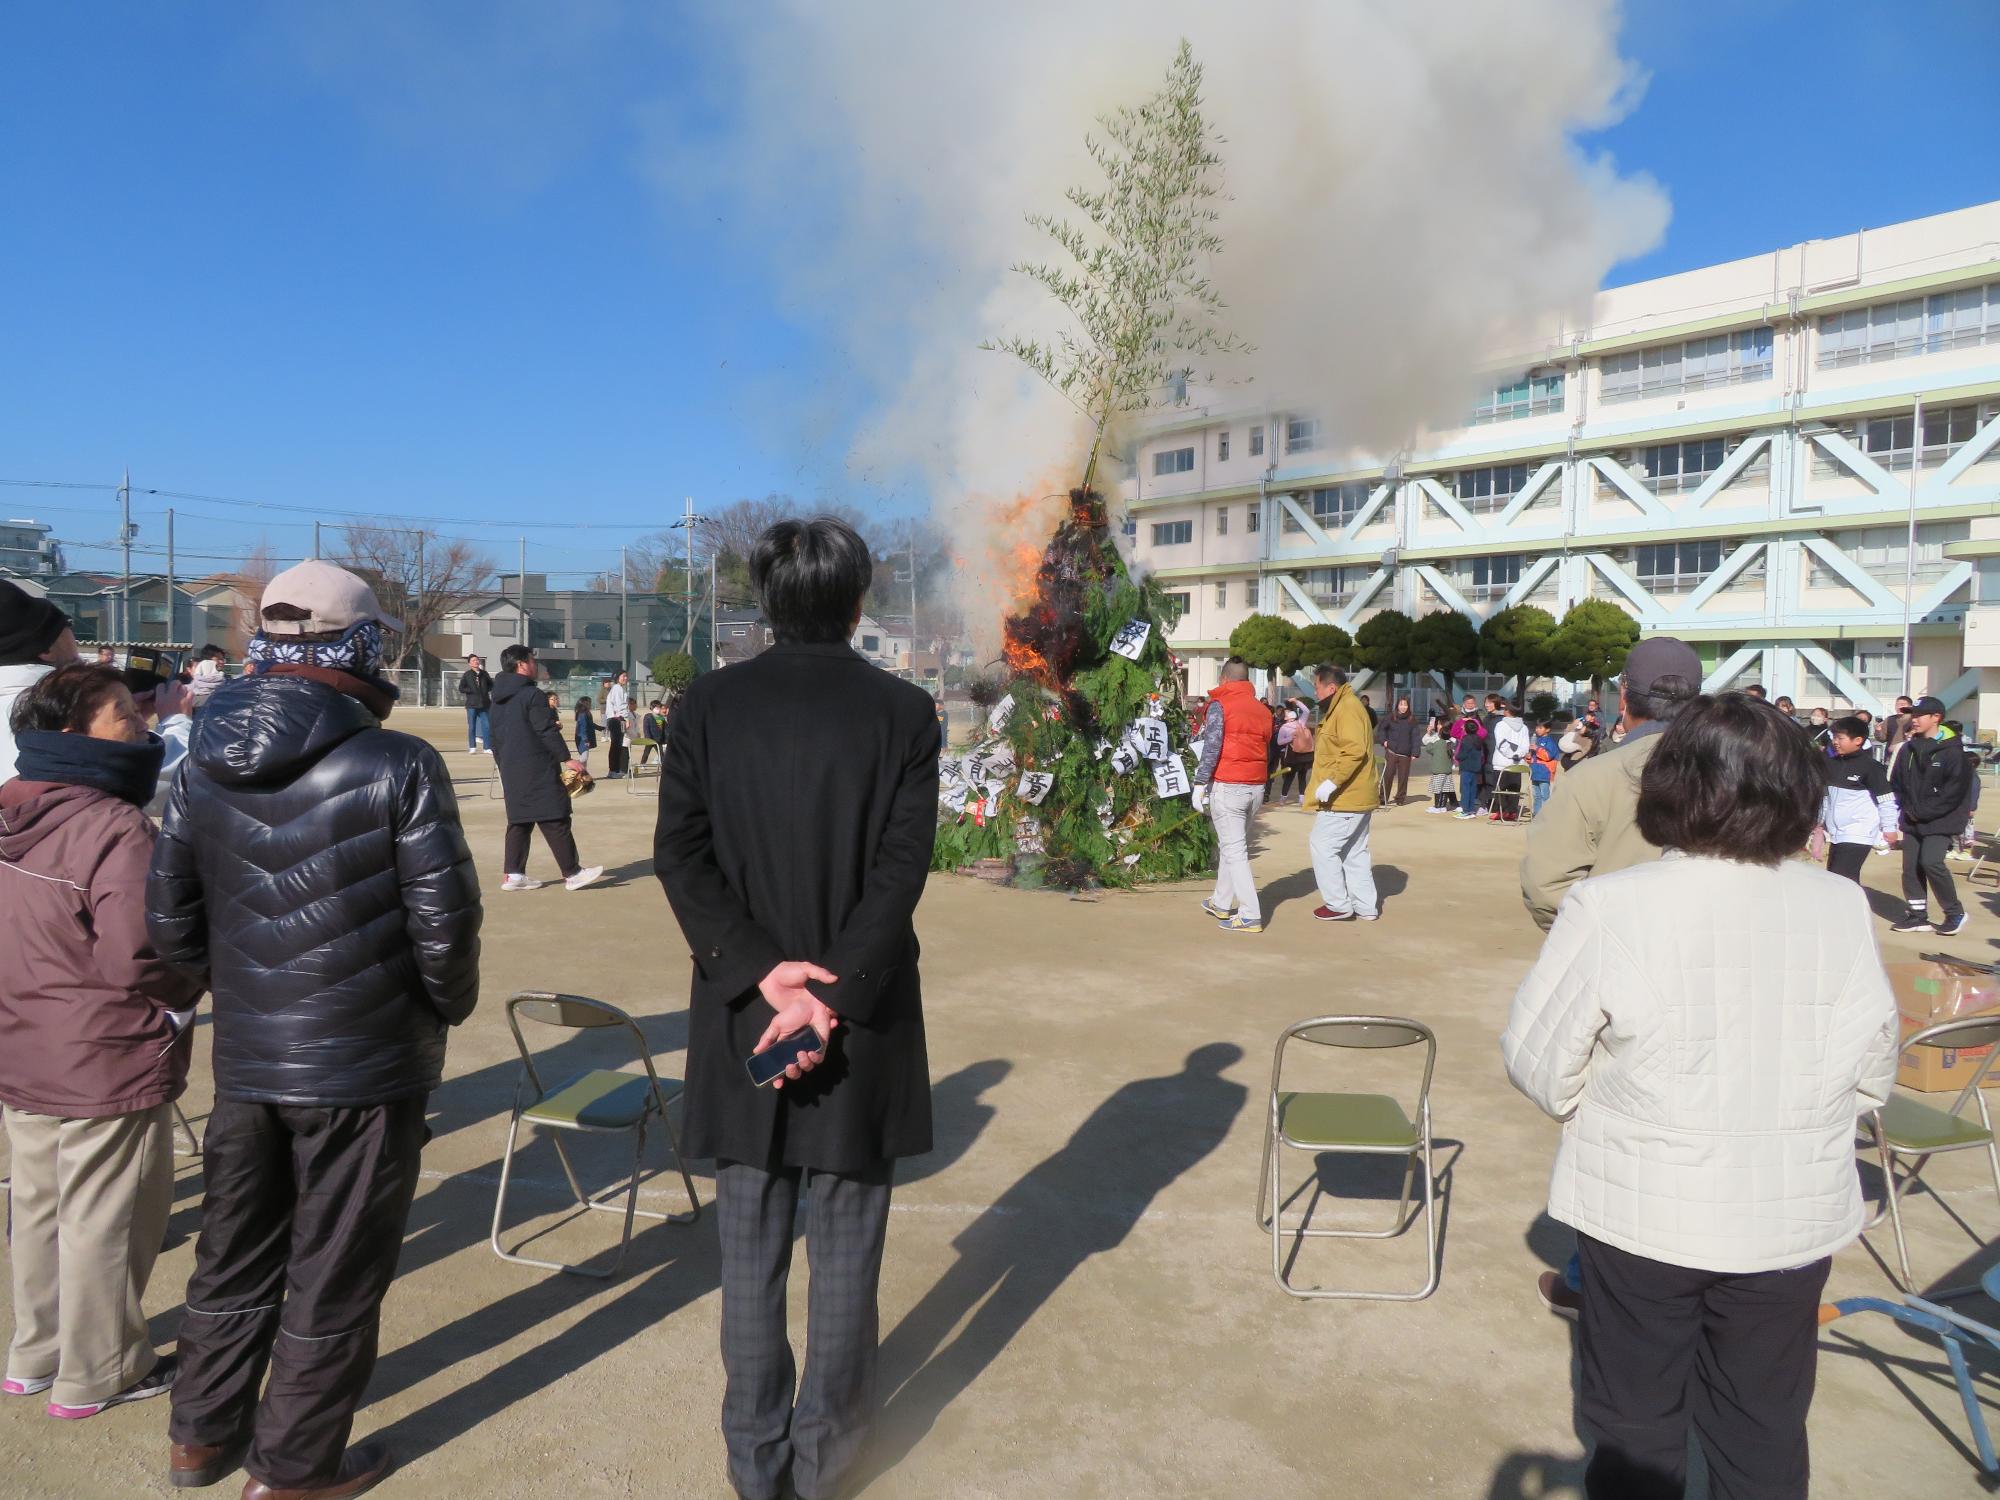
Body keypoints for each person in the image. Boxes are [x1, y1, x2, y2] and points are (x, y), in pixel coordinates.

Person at [1502, 693, 1898, 1500]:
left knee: (1637, 1420)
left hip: (1645, 1212)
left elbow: (1542, 1064)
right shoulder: (1838, 904)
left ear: (1671, 788)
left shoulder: (1615, 905)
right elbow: (1872, 1068)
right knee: (1764, 1421)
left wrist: (1616, 1110)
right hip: (1789, 1213)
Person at [146, 560, 482, 1497]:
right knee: (334, 1273)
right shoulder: (397, 760)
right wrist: (442, 1011)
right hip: (364, 1065)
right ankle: (292, 1471)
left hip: (251, 1055)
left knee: (231, 1252)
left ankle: (200, 1440)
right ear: (362, 645)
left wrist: (249, 990)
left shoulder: (199, 757)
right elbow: (445, 929)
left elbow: (168, 924)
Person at [654, 516, 936, 1500]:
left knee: (749, 1248)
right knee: (846, 1251)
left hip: (746, 1015)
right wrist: (831, 991)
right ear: (857, 601)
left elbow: (678, 855)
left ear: (766, 600)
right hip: (860, 1015)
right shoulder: (902, 712)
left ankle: (754, 1458)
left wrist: (761, 973)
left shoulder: (706, 706)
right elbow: (903, 869)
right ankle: (826, 1458)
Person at [1, 665, 199, 1421]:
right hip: (104, 1053)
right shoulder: (114, 828)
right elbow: (144, 953)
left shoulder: (12, 812)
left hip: (24, 1041)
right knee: (107, 1219)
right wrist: (181, 1001)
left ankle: (37, 1352)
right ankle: (101, 1369)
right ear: (74, 733)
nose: (142, 724)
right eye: (122, 715)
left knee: (41, 1209)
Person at [1520, 636, 1702, 932]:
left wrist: (1598, 939)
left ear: (1624, 697)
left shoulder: (1592, 776)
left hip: (1613, 949)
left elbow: (1546, 886)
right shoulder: (1732, 771)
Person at [490, 645, 602, 893]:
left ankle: (514, 874)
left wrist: (503, 765)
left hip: (510, 767)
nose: (535, 664)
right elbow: (546, 730)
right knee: (554, 816)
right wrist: (567, 758)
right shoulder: (533, 695)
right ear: (521, 664)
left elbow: (494, 739)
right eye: (532, 660)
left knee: (520, 821)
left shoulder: (496, 700)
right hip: (537, 766)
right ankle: (572, 873)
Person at [1193, 656, 1273, 933]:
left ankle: (1250, 914)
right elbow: (1266, 749)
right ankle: (1220, 901)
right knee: (1233, 846)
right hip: (1255, 787)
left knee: (1235, 850)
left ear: (1224, 679)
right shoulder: (1263, 710)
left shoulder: (1220, 705)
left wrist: (1200, 783)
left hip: (1228, 785)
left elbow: (1211, 747)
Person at [1888, 694, 1975, 935]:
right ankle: (1918, 915)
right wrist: (1906, 809)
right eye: (1911, 715)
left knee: (1931, 862)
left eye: (1918, 715)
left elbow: (1953, 793)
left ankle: (1954, 912)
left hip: (1941, 820)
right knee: (1910, 867)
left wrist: (1921, 812)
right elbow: (1896, 782)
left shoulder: (1953, 752)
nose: (1913, 720)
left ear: (1936, 717)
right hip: (1912, 818)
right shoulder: (1908, 748)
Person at [1305, 664, 1380, 922]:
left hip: (1346, 797)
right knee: (1354, 851)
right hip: (1356, 795)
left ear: (1331, 687)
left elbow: (1353, 750)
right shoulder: (1345, 705)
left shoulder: (1346, 708)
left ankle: (1337, 904)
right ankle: (1365, 906)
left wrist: (1332, 782)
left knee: (1322, 845)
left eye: (1317, 687)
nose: (1315, 693)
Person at [0, 578, 82, 782]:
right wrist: (173, 720)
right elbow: (144, 779)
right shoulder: (71, 705)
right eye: (67, 623)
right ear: (46, 648)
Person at [1819, 716, 1898, 883]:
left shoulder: (1871, 767)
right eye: (1834, 737)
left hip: (1858, 832)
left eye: (1840, 738)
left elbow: (1886, 801)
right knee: (1835, 877)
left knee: (1842, 878)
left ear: (1858, 740)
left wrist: (1890, 828)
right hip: (1836, 833)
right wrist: (1819, 822)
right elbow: (1826, 799)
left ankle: (1849, 908)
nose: (1835, 742)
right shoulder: (1831, 763)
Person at [1490, 702, 1531, 822]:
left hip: (1501, 762)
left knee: (1499, 787)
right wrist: (1518, 754)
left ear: (1507, 711)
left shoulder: (1501, 725)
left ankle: (1501, 811)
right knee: (1514, 787)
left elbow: (1501, 743)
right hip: (1517, 763)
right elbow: (1525, 745)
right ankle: (1512, 811)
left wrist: (1510, 754)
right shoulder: (1524, 727)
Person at [1379, 695, 1421, 807]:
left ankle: (1400, 798)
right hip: (1391, 752)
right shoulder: (1391, 717)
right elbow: (1382, 729)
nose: (1403, 707)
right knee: (1387, 775)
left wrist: (1415, 752)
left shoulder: (1412, 720)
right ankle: (1383, 798)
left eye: (1405, 704)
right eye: (1401, 704)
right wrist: (1384, 741)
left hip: (1405, 754)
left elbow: (1416, 737)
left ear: (1408, 706)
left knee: (1403, 777)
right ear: (1397, 705)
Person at [1453, 711, 1488, 820]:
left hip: (1466, 768)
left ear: (1466, 729)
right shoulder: (1478, 740)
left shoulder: (1466, 740)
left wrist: (1456, 757)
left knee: (1465, 789)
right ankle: (1471, 809)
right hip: (1476, 768)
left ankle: (1465, 810)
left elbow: (1461, 754)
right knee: (1473, 789)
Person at [1278, 705, 1315, 806]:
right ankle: (1301, 799)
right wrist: (1296, 701)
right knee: (1302, 777)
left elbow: (1279, 742)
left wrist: (1290, 738)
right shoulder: (1301, 723)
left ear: (1287, 718)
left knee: (1289, 777)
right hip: (1305, 756)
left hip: (1292, 756)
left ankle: (1283, 798)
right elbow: (1306, 710)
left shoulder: (1284, 727)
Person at [458, 654, 494, 754]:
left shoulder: (484, 674)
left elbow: (491, 684)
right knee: (472, 726)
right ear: (470, 663)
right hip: (472, 704)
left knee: (486, 725)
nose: (476, 662)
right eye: (473, 660)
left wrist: (485, 689)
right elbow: (461, 688)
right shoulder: (467, 675)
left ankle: (487, 747)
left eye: (477, 660)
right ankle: (472, 746)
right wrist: (471, 690)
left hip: (484, 704)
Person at [1420, 714, 1455, 813]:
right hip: (1447, 769)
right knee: (1446, 787)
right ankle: (1444, 806)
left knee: (1438, 788)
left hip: (1438, 769)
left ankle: (1438, 806)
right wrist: (1429, 733)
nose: (1437, 726)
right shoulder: (1450, 740)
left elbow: (1427, 745)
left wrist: (1428, 734)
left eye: (1439, 724)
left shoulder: (1438, 739)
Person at [1529, 720, 1563, 819]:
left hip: (1545, 773)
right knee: (1536, 796)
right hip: (1535, 772)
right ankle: (1536, 814)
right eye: (1537, 727)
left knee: (1545, 795)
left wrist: (1537, 749)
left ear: (1547, 729)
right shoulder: (1536, 740)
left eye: (1540, 727)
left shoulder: (1550, 742)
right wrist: (1528, 757)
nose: (1537, 730)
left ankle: (1546, 815)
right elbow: (1533, 758)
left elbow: (1548, 756)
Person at [604, 669, 631, 778]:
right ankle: (613, 770)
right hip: (616, 720)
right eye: (623, 676)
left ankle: (616, 769)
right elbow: (621, 706)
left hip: (616, 719)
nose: (625, 678)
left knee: (617, 745)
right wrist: (626, 718)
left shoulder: (619, 689)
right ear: (617, 677)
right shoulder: (617, 688)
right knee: (616, 745)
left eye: (626, 676)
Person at [573, 694, 598, 773]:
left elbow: (590, 724)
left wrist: (601, 728)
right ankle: (575, 770)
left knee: (585, 757)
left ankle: (583, 774)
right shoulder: (583, 715)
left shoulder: (586, 714)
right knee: (584, 757)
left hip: (584, 738)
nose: (591, 704)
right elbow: (583, 729)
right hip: (582, 739)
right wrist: (586, 740)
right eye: (589, 703)